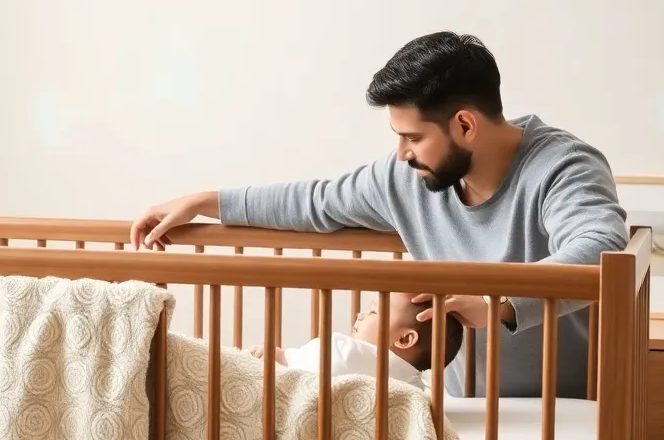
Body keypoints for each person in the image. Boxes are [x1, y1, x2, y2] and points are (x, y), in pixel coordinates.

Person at [130, 31, 628, 399]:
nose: (401, 154)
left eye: (412, 137)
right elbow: (316, 201)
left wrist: (497, 298)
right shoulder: (407, 180)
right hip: (462, 407)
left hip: (562, 406)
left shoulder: (562, 165)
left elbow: (601, 245)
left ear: (464, 124)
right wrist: (203, 203)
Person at [248, 293, 464, 388]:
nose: (360, 314)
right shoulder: (413, 385)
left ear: (405, 339)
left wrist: (281, 356)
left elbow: (316, 361)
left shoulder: (350, 353)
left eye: (373, 312)